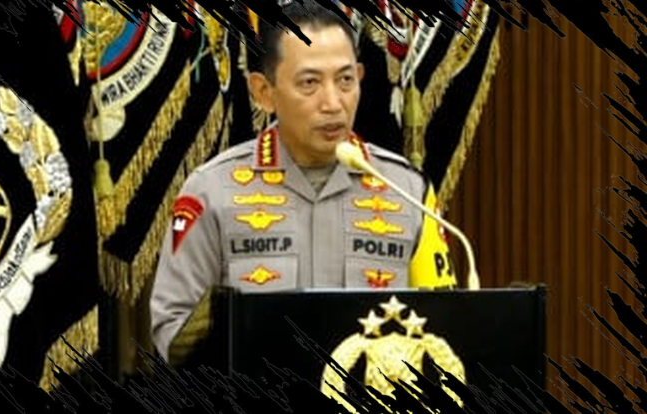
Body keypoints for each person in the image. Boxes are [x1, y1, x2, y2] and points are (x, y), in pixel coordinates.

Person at [150, 2, 456, 362]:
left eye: (345, 80)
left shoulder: (408, 191)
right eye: (310, 83)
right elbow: (171, 333)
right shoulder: (212, 192)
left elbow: (445, 325)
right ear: (264, 92)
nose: (333, 103)